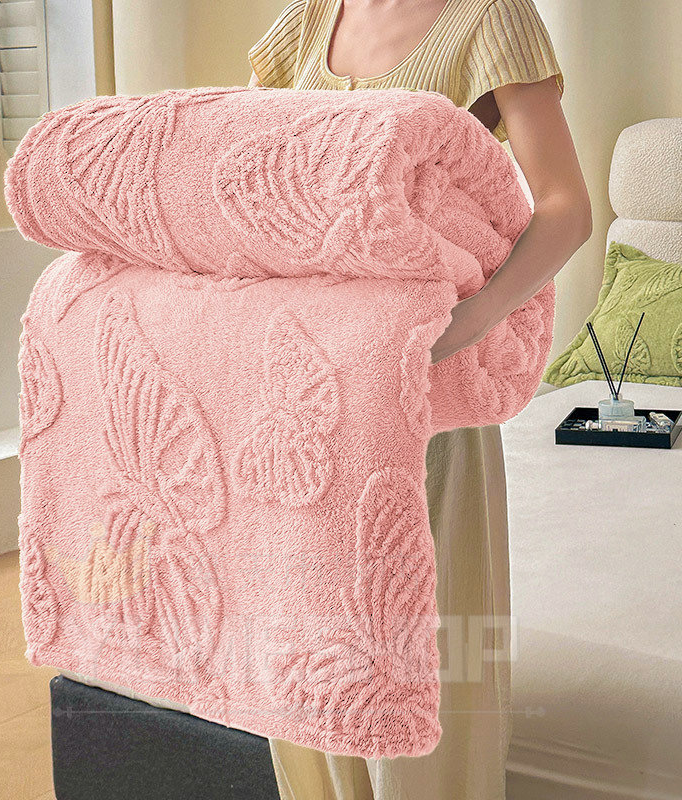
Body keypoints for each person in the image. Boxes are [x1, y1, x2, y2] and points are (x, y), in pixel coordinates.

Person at [247, 1, 592, 798]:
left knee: (426, 659)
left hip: (422, 397)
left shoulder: (490, 16)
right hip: (301, 392)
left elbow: (566, 208)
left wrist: (469, 319)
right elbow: (255, 176)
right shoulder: (310, 16)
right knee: (304, 662)